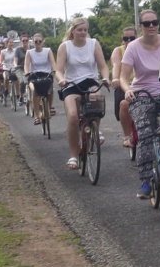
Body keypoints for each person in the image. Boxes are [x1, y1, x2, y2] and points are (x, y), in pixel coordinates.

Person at [120, 9, 160, 199]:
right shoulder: (133, 47)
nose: (151, 26)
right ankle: (145, 181)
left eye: (154, 22)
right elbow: (123, 77)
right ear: (140, 27)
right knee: (145, 134)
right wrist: (127, 89)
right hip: (142, 93)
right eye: (146, 24)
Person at [55, 17, 110, 170]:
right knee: (73, 116)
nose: (83, 32)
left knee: (96, 100)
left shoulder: (93, 44)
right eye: (79, 30)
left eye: (85, 30)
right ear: (72, 31)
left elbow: (103, 66)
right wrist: (61, 79)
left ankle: (95, 130)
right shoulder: (65, 47)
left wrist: (105, 78)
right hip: (71, 83)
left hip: (90, 81)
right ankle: (73, 155)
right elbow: (58, 70)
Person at [110, 23, 137, 145]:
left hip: (141, 84)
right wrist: (115, 78)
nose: (129, 41)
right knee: (124, 104)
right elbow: (116, 65)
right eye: (126, 39)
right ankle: (127, 136)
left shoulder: (142, 47)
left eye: (132, 38)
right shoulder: (119, 51)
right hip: (124, 83)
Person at [24, 34, 56, 124]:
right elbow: (26, 65)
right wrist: (27, 71)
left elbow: (53, 62)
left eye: (40, 41)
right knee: (35, 91)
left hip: (46, 74)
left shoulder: (48, 51)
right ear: (33, 43)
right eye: (36, 41)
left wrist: (54, 69)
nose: (38, 43)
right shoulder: (29, 52)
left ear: (43, 42)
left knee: (50, 88)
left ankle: (49, 108)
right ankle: (37, 116)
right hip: (34, 74)